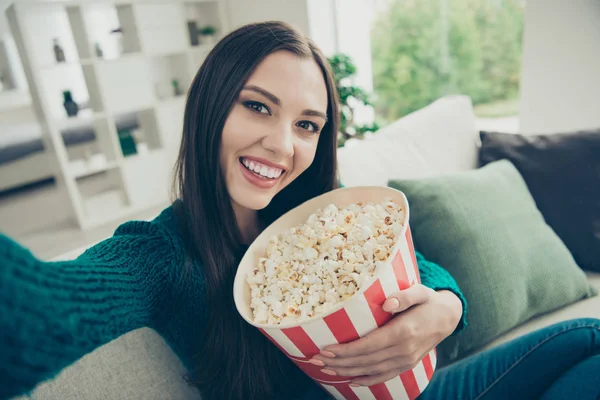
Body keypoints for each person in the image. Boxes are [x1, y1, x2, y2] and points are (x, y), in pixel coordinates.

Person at [0, 21, 598, 400]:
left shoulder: (318, 214)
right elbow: (49, 306)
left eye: (306, 125)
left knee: (588, 340)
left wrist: (443, 308)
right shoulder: (157, 255)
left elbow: (423, 265)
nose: (284, 145)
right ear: (209, 107)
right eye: (258, 107)